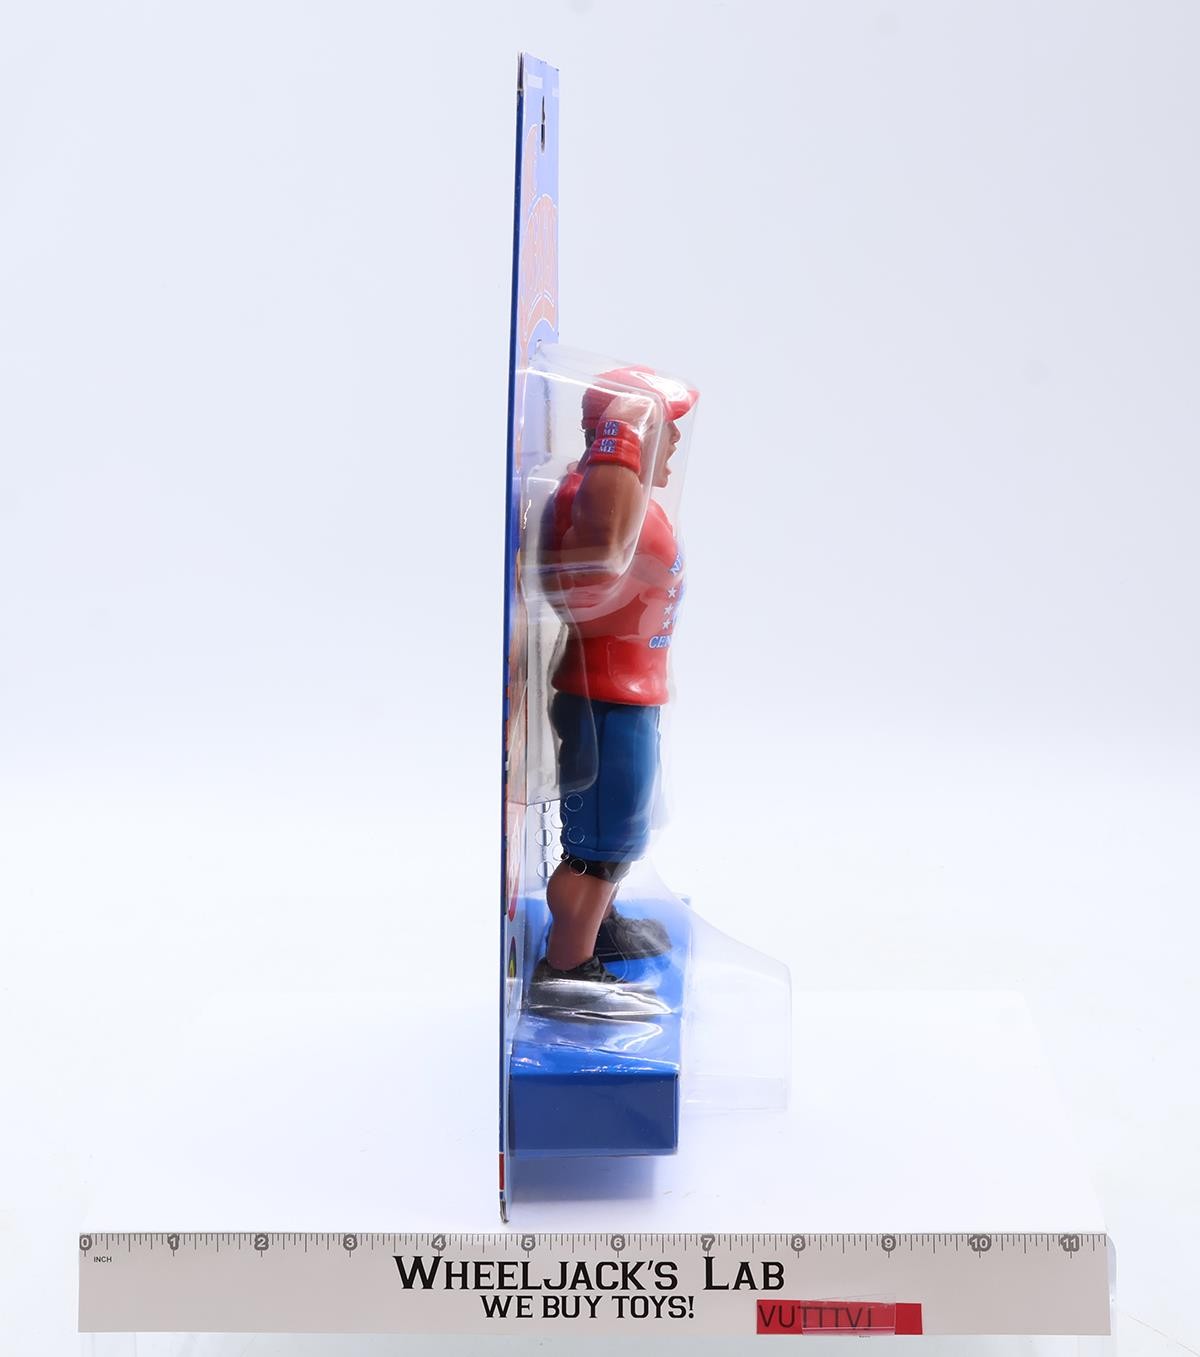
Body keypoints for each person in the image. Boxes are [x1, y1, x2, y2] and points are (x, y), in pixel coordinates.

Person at [527, 365, 698, 1019]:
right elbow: (595, 566)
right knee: (597, 849)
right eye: (665, 427)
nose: (674, 441)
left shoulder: (626, 498)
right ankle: (567, 968)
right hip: (605, 699)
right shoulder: (595, 496)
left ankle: (595, 926)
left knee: (620, 837)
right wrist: (622, 440)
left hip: (630, 694)